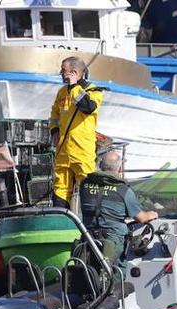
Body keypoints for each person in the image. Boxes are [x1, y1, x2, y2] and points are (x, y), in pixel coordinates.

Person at [79, 151, 158, 270]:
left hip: (88, 238)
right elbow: (141, 218)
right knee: (117, 270)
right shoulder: (123, 190)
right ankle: (116, 286)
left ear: (100, 165)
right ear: (119, 168)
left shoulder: (84, 185)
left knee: (89, 270)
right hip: (113, 239)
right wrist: (151, 214)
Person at [50, 56, 104, 209]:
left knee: (88, 187)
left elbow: (88, 107)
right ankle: (62, 224)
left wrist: (74, 87)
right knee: (60, 188)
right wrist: (54, 130)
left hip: (82, 150)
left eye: (64, 71)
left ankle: (91, 226)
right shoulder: (62, 92)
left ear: (73, 72)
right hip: (63, 149)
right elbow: (55, 113)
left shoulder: (93, 90)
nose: (61, 73)